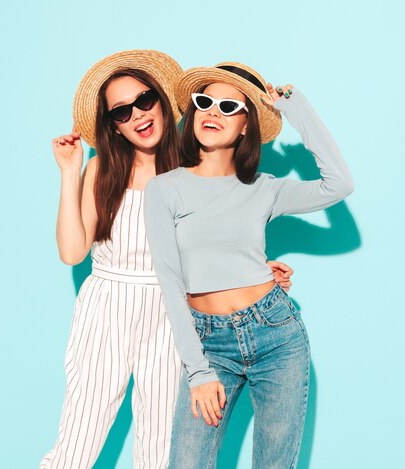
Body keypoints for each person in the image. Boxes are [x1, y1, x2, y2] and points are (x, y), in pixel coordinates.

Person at [40, 51, 294, 469]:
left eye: (144, 100)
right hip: (106, 307)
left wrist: (256, 276)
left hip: (173, 313)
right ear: (113, 126)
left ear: (162, 100)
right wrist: (69, 172)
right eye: (121, 111)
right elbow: (72, 252)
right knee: (77, 440)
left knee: (161, 449)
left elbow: (217, 245)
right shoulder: (101, 169)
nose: (137, 114)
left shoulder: (195, 171)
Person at [144, 62, 354, 468]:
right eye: (204, 102)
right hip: (209, 344)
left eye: (228, 106)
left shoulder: (265, 189)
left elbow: (339, 185)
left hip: (276, 335)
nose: (212, 112)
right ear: (192, 115)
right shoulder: (166, 188)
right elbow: (170, 280)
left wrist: (295, 108)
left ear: (246, 126)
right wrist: (199, 372)